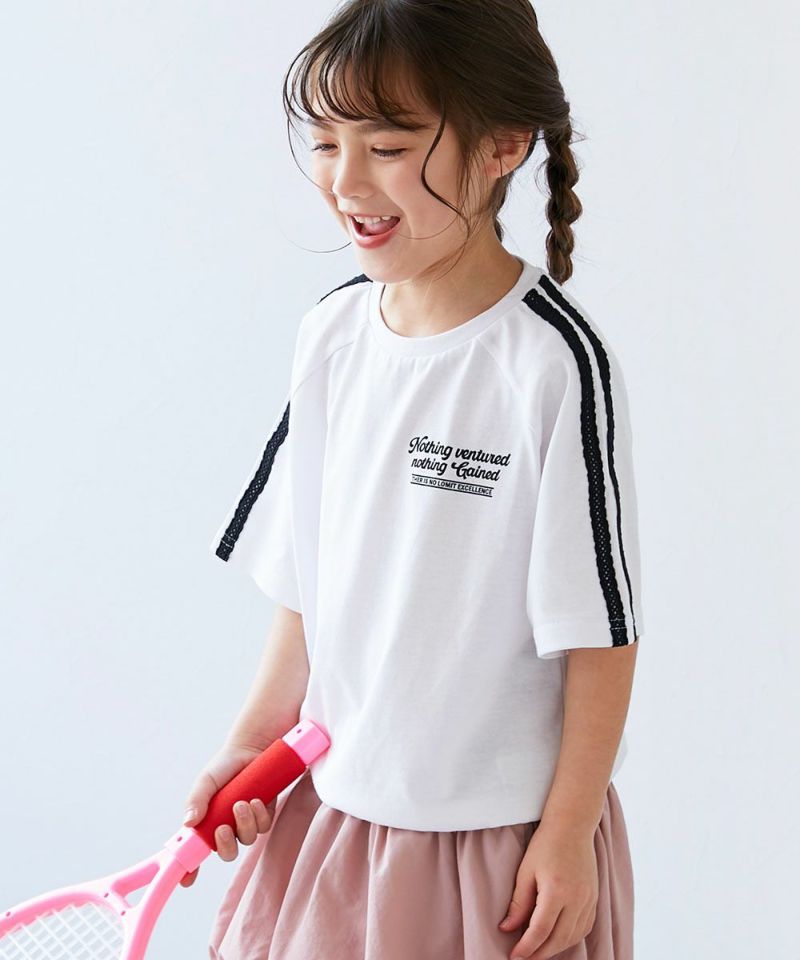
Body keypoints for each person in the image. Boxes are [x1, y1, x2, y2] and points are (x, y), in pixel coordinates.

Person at [182, 1, 644, 958]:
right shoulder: (332, 335)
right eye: (325, 142)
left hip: (498, 845)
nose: (345, 180)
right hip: (327, 817)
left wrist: (566, 834)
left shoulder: (553, 365)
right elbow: (308, 585)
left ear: (502, 146)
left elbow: (600, 635)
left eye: (387, 146)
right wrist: (253, 740)